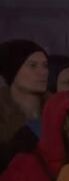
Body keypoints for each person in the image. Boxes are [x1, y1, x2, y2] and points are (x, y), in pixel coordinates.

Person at [0, 39, 49, 172]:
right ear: (12, 70)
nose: (43, 72)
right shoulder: (4, 121)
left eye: (45, 65)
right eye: (32, 65)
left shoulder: (58, 113)